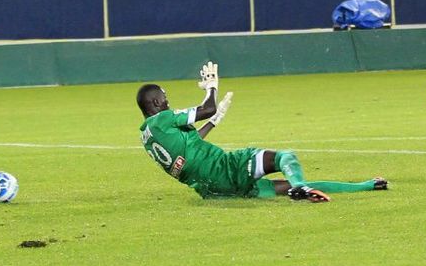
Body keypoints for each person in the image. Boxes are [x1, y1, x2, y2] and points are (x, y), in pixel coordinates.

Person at [137, 62, 388, 201]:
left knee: (284, 185)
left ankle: (367, 186)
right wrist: (212, 86)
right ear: (156, 104)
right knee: (285, 157)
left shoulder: (147, 136)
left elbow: (189, 147)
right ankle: (299, 187)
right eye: (164, 98)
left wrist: (215, 122)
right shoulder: (162, 119)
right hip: (226, 169)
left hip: (212, 190)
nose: (168, 101)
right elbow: (207, 106)